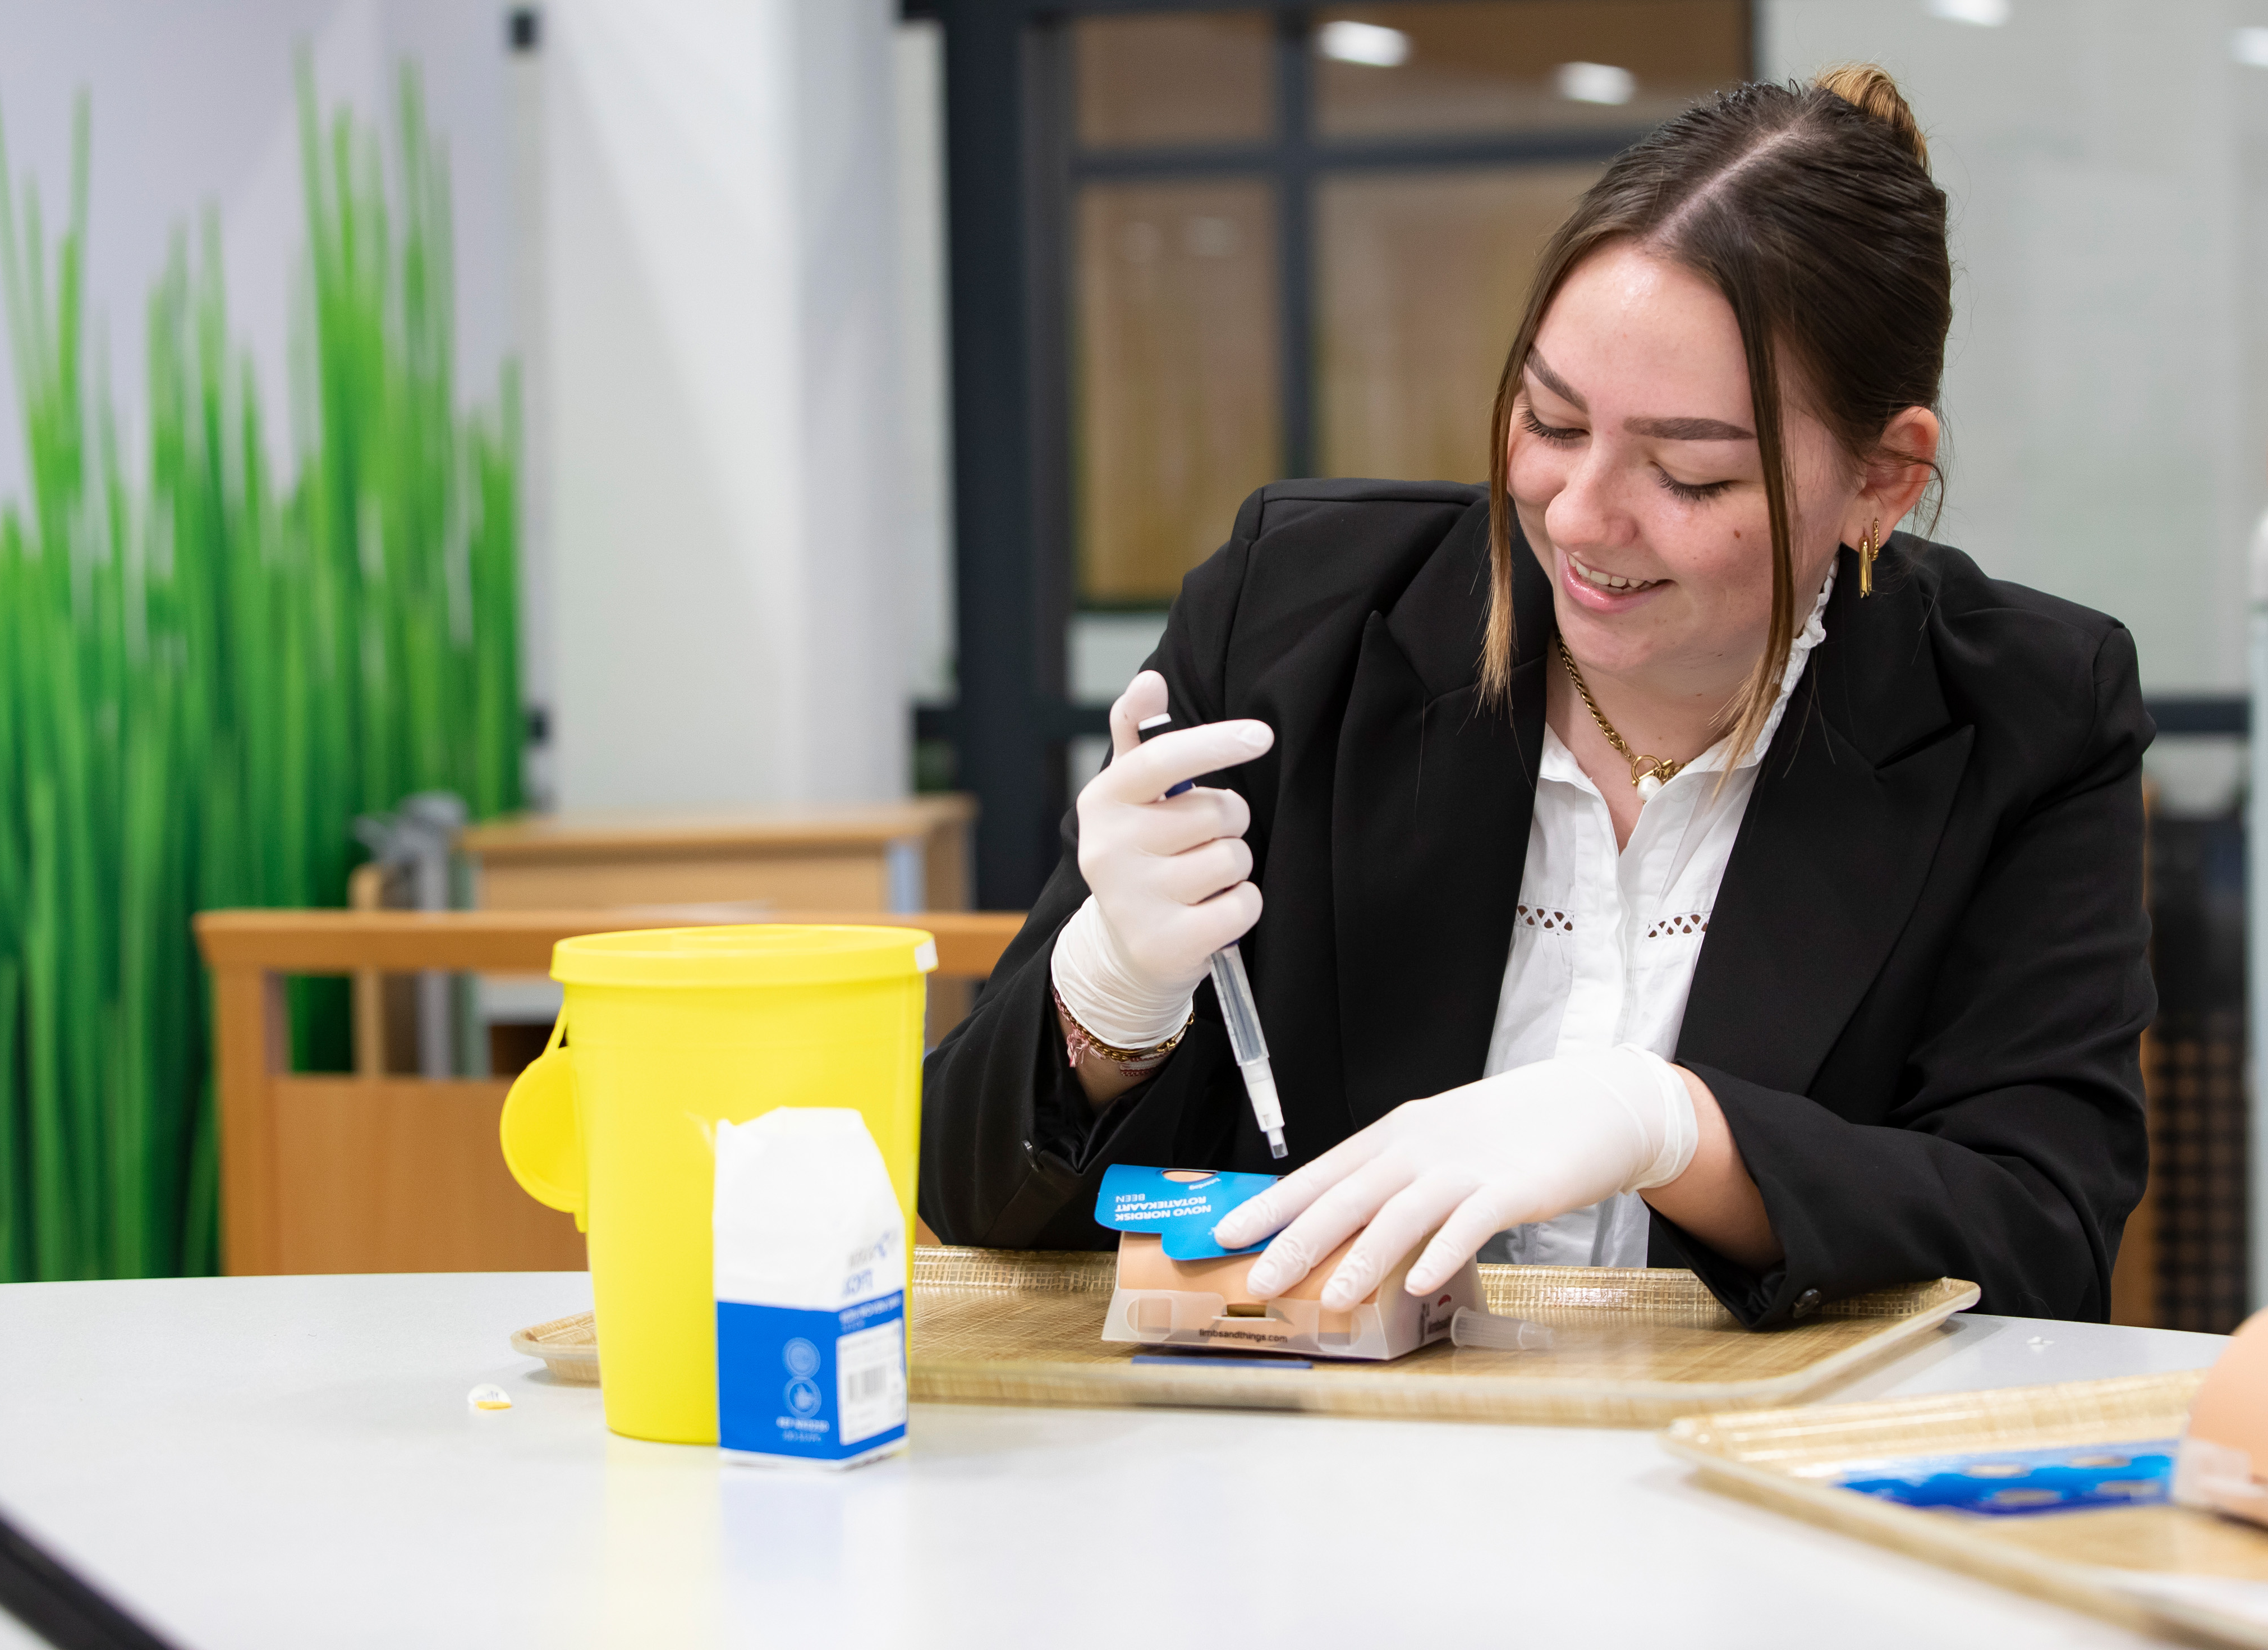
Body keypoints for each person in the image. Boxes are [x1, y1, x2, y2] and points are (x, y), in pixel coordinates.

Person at [920, 66, 2153, 1329]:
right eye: (1552, 421)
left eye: (1688, 471)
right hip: (1317, 1491)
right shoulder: (1297, 619)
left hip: (1741, 1498)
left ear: (1884, 480)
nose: (1578, 515)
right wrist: (1109, 998)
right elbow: (974, 1200)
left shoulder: (2025, 714)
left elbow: (2041, 1244)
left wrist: (1678, 1130)